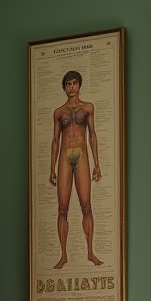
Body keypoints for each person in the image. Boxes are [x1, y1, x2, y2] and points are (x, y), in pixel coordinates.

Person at [49, 70, 102, 269]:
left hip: (81, 156)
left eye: (74, 83)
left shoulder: (87, 108)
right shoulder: (58, 112)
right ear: (64, 88)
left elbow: (93, 135)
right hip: (64, 156)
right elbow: (55, 141)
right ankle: (63, 255)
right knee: (62, 208)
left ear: (79, 85)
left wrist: (97, 163)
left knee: (86, 205)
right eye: (67, 84)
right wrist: (51, 168)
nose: (71, 88)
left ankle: (90, 252)